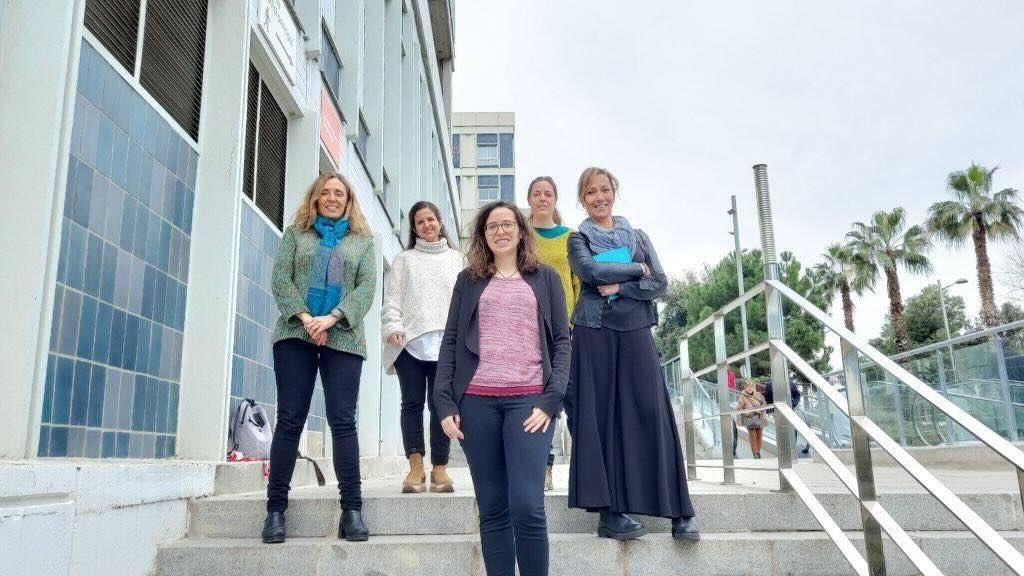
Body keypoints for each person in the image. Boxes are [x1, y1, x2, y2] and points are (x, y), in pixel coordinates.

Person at [434, 201, 571, 576]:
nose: (500, 231)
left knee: (527, 505)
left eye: (507, 224)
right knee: (492, 507)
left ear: (521, 230)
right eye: (492, 226)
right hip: (477, 403)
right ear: (483, 235)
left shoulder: (545, 278)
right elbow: (451, 342)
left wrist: (550, 399)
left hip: (529, 403)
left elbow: (562, 342)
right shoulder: (469, 280)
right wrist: (444, 402)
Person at [564, 167, 699, 542]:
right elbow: (589, 272)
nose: (599, 197)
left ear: (614, 193)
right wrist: (636, 269)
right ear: (583, 199)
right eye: (590, 192)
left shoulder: (638, 236)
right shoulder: (578, 239)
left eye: (604, 190)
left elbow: (659, 281)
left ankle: (680, 512)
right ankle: (610, 514)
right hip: (595, 332)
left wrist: (621, 288)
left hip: (636, 329)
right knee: (602, 419)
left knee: (652, 412)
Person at [262, 171, 376, 544]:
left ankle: (352, 510)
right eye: (325, 192)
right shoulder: (297, 234)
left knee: (343, 422)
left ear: (348, 200)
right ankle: (275, 511)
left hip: (343, 335)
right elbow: (281, 279)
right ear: (314, 198)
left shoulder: (363, 241)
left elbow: (366, 288)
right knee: (290, 420)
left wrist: (332, 317)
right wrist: (308, 318)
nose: (331, 197)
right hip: (296, 332)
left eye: (338, 193)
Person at [382, 201, 466, 493]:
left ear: (440, 222)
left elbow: (467, 302)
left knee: (440, 405)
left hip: (447, 345)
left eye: (431, 219)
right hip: (411, 345)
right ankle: (415, 467)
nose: (427, 225)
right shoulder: (404, 259)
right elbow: (392, 300)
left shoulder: (458, 259)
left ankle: (440, 468)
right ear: (414, 228)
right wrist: (393, 326)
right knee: (412, 404)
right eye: (420, 222)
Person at [527, 176, 581, 491]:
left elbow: (577, 283)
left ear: (555, 199)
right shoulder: (522, 236)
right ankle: (543, 467)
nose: (542, 198)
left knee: (566, 395)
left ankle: (583, 471)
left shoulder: (570, 237)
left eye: (548, 193)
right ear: (530, 199)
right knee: (538, 399)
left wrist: (573, 323)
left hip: (565, 331)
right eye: (537, 193)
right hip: (529, 330)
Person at [737, 380, 767, 459]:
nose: (750, 388)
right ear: (745, 388)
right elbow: (739, 409)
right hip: (750, 419)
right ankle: (755, 454)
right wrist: (749, 413)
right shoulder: (742, 397)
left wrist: (760, 409)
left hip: (760, 418)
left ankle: (758, 452)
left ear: (754, 387)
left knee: (759, 436)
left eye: (751, 386)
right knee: (753, 437)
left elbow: (764, 403)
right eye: (748, 387)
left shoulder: (758, 395)